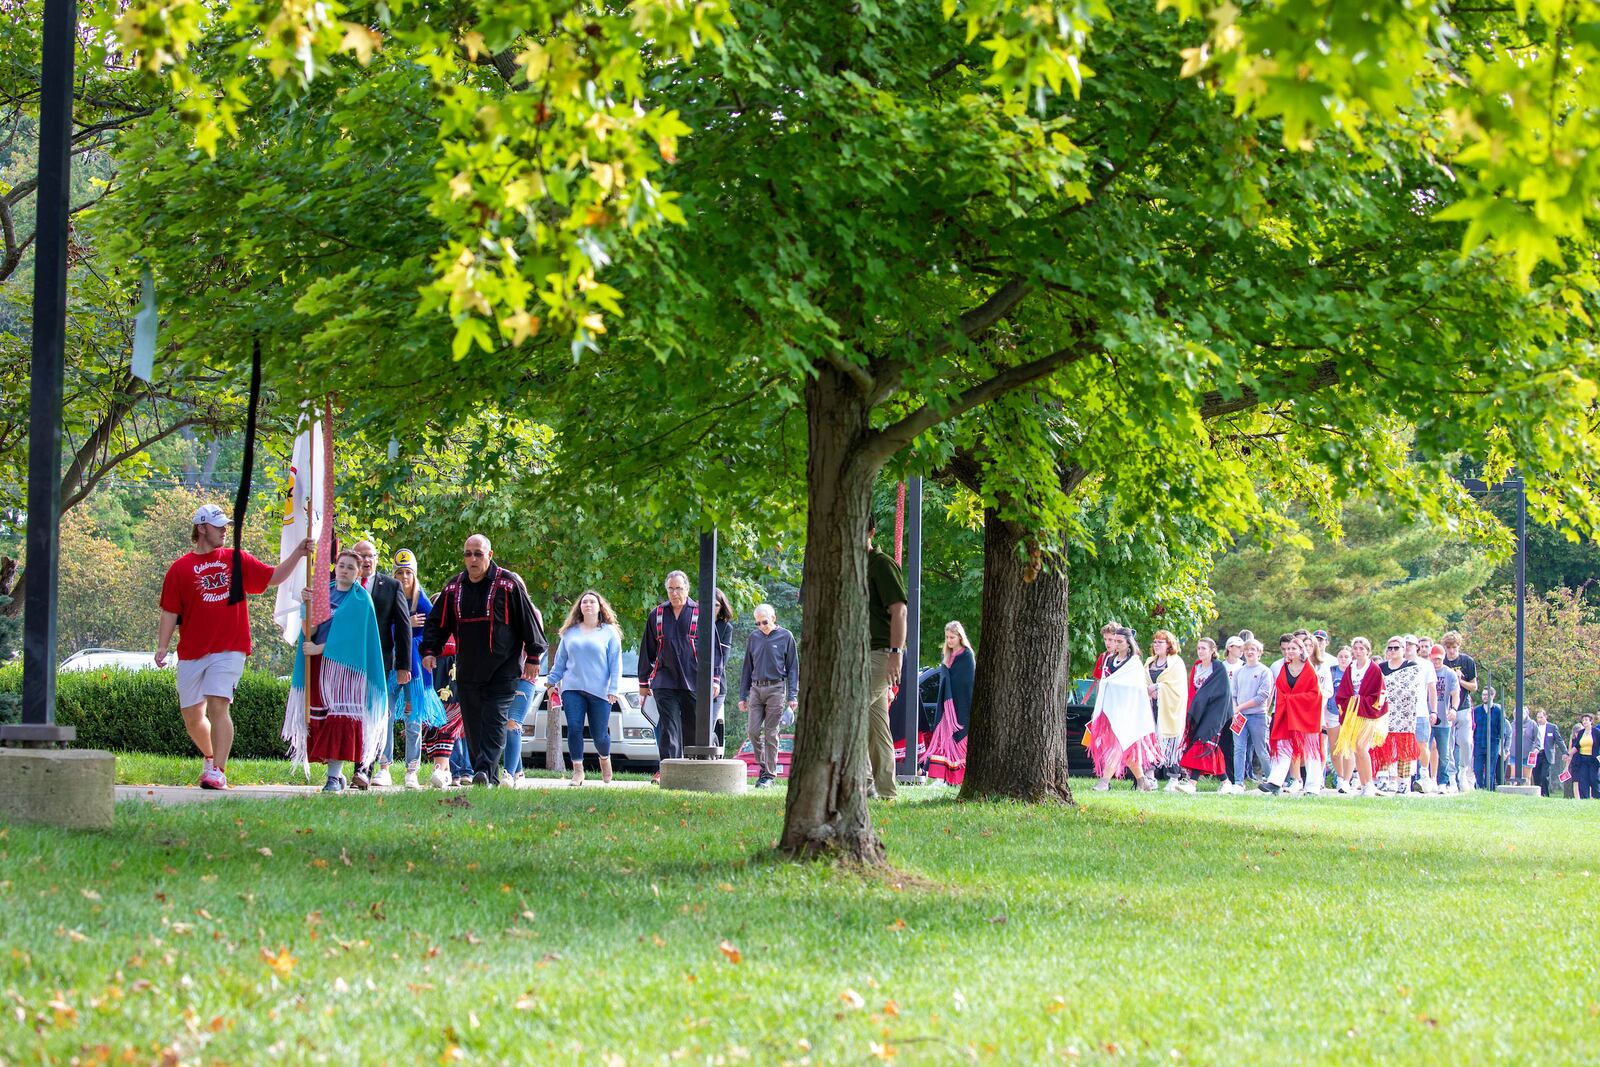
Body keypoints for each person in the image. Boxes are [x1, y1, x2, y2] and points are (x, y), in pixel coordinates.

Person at [157, 503, 313, 790]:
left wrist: (299, 553)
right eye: (219, 526)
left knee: (218, 705)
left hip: (230, 647)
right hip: (192, 650)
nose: (225, 531)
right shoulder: (180, 568)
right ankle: (209, 755)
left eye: (226, 526)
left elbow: (273, 577)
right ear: (201, 528)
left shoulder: (235, 559)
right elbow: (169, 611)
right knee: (192, 717)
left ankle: (218, 770)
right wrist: (162, 646)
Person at [420, 535, 547, 787]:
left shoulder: (508, 585)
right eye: (468, 553)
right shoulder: (454, 588)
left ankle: (482, 772)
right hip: (468, 670)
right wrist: (430, 650)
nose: (473, 559)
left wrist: (533, 656)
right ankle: (487, 774)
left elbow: (528, 622)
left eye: (478, 553)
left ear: (489, 555)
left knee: (495, 720)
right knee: (474, 724)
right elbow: (437, 622)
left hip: (504, 670)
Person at [282, 550, 390, 792]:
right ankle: (335, 775)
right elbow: (308, 629)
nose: (345, 570)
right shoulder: (322, 593)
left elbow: (354, 640)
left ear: (358, 572)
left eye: (351, 568)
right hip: (318, 665)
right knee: (321, 717)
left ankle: (334, 776)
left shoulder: (362, 601)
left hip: (345, 672)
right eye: (341, 565)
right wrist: (305, 605)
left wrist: (321, 648)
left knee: (338, 718)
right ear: (335, 567)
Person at [639, 570, 727, 782]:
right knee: (669, 727)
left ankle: (693, 771)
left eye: (679, 588)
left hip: (695, 680)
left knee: (693, 726)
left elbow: (715, 650)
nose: (675, 593)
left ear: (687, 589)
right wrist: (643, 682)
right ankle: (668, 771)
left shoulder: (701, 613)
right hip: (664, 680)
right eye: (671, 588)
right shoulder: (657, 615)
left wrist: (715, 679)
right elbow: (647, 650)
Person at [347, 541, 415, 789]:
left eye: (369, 556)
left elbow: (403, 627)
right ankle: (340, 768)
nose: (365, 560)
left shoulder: (391, 586)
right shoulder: (345, 584)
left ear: (376, 559)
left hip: (379, 661)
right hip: (347, 661)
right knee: (350, 713)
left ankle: (364, 768)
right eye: (360, 556)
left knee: (372, 714)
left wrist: (403, 665)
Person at [546, 591, 623, 787]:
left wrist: (614, 688)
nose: (588, 604)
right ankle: (578, 771)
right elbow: (560, 661)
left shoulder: (608, 632)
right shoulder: (570, 633)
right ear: (579, 607)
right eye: (584, 602)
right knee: (574, 728)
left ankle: (604, 759)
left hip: (601, 691)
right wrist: (551, 682)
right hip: (573, 689)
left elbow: (616, 663)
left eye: (592, 601)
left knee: (599, 735)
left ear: (600, 607)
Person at [860, 516, 908, 800]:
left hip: (880, 654)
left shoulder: (881, 564)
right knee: (876, 727)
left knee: (848, 715)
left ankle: (864, 787)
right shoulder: (856, 566)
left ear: (871, 531)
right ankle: (886, 792)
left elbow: (899, 611)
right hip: (861, 655)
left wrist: (895, 654)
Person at [390, 550, 446, 790]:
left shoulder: (423, 603)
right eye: (400, 572)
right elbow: (381, 629)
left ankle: (412, 769)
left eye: (408, 573)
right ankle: (383, 765)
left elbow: (432, 636)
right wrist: (405, 626)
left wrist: (410, 635)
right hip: (392, 664)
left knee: (413, 720)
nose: (404, 577)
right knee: (386, 716)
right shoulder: (389, 597)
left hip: (415, 671)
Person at [1088, 628, 1158, 791]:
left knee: (1118, 745)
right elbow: (1104, 681)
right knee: (1125, 748)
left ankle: (1104, 782)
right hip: (1111, 710)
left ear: (1128, 643)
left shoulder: (1134, 663)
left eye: (1120, 641)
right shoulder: (1109, 660)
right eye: (1114, 641)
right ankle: (1143, 782)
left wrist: (1112, 684)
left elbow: (1137, 688)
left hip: (1128, 710)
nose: (1116, 644)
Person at [739, 604, 800, 788]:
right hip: (756, 689)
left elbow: (793, 668)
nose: (761, 626)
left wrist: (793, 696)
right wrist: (743, 695)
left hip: (776, 688)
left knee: (771, 733)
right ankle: (765, 768)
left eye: (764, 622)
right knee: (753, 731)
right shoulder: (754, 637)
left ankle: (769, 776)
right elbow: (747, 668)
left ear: (774, 618)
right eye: (757, 623)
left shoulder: (786, 636)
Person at [1259, 635, 1326, 795]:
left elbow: (1315, 694)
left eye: (1293, 648)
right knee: (1283, 747)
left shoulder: (1309, 670)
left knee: (1311, 750)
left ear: (1301, 650)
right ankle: (1275, 782)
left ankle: (1313, 787)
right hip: (1287, 714)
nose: (1289, 651)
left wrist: (1292, 700)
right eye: (1287, 649)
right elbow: (1280, 691)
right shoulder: (1284, 668)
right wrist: (1287, 702)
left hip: (1307, 715)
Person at [1333, 636, 1387, 796]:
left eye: (1361, 648)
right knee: (1356, 749)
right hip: (1353, 713)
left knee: (1362, 747)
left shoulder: (1373, 669)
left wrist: (1363, 701)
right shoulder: (1351, 668)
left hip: (1368, 713)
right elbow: (1344, 690)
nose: (1358, 651)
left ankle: (1369, 783)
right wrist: (1350, 701)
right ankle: (1364, 784)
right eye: (1355, 648)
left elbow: (1380, 692)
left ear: (1367, 651)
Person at [925, 621, 976, 786]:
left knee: (959, 741)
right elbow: (944, 680)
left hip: (961, 707)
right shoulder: (947, 656)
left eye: (952, 637)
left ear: (960, 637)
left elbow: (967, 683)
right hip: (946, 708)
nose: (949, 641)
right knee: (942, 738)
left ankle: (958, 777)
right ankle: (940, 777)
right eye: (947, 637)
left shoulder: (967, 656)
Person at [1178, 637, 1231, 791]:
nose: (1200, 651)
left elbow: (1223, 693)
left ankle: (1192, 784)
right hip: (1199, 711)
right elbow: (1194, 691)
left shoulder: (1218, 668)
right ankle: (1226, 782)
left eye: (1204, 648)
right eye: (1198, 648)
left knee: (1203, 743)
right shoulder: (1197, 667)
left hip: (1215, 712)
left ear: (1212, 651)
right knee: (1212, 747)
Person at [1220, 639, 1271, 794]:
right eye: (1247, 649)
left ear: (1259, 652)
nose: (1250, 652)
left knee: (1261, 749)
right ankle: (1238, 782)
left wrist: (1240, 707)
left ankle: (1271, 779)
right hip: (1240, 717)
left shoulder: (1264, 671)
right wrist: (1236, 709)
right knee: (1239, 749)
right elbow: (1233, 694)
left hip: (1257, 716)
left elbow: (1262, 696)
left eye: (1253, 649)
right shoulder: (1239, 672)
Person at [1375, 636, 1424, 794]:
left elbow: (1409, 687)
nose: (1393, 651)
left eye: (1396, 648)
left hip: (1405, 713)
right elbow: (1375, 687)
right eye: (1390, 648)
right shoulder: (1380, 667)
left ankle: (1403, 782)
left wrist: (1388, 687)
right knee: (1383, 743)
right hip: (1385, 711)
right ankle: (1383, 778)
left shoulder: (1411, 666)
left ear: (1403, 649)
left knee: (1404, 745)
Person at [1145, 630, 1187, 787]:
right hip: (1151, 708)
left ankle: (1174, 778)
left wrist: (1158, 688)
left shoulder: (1176, 662)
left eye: (1160, 642)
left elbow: (1177, 686)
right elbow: (1143, 680)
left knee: (1170, 744)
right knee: (1150, 741)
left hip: (1169, 710)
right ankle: (1150, 776)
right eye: (1155, 642)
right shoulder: (1149, 661)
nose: (1156, 645)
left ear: (1169, 644)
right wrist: (1148, 690)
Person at [1441, 631, 1478, 789]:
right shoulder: (1441, 662)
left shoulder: (1467, 661)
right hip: (1446, 708)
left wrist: (1459, 680)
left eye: (1454, 647)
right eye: (1448, 647)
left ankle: (1463, 771)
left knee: (1465, 742)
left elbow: (1474, 687)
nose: (1451, 651)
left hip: (1463, 707)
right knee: (1447, 745)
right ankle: (1451, 776)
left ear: (1459, 646)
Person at [1427, 644, 1460, 794]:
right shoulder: (1426, 672)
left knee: (1444, 752)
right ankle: (1424, 779)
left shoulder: (1449, 674)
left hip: (1444, 718)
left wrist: (1453, 709)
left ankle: (1443, 782)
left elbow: (1455, 695)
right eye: (1434, 659)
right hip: (1426, 717)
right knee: (1424, 749)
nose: (1436, 662)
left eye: (1439, 659)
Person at [1326, 645, 1353, 788]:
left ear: (1351, 658)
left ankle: (1347, 780)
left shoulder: (1355, 672)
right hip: (1332, 712)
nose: (1343, 659)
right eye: (1341, 656)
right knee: (1335, 750)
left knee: (1348, 748)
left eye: (1346, 656)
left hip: (1350, 714)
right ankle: (1340, 776)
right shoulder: (1332, 672)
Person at [1472, 687, 1505, 790]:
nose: (1485, 697)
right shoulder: (1476, 711)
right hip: (1479, 743)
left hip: (1493, 744)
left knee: (1490, 771)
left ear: (1492, 696)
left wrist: (1501, 747)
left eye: (1487, 695)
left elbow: (1502, 731)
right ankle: (1480, 788)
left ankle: (1489, 790)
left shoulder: (1498, 711)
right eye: (1483, 694)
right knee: (1478, 769)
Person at [1531, 710, 1567, 797]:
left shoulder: (1552, 727)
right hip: (1536, 754)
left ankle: (1545, 795)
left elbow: (1559, 740)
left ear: (1545, 717)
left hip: (1546, 754)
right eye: (1538, 717)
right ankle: (1537, 795)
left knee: (1544, 776)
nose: (1539, 719)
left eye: (1541, 717)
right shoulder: (1535, 727)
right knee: (1536, 775)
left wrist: (1565, 752)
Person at [1568, 713, 1599, 800]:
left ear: (1591, 721)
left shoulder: (1596, 732)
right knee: (1583, 780)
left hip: (1593, 760)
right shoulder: (1581, 733)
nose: (1584, 722)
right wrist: (1569, 754)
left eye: (1586, 720)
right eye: (1583, 720)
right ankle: (1584, 798)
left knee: (1594, 779)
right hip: (1582, 759)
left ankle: (1596, 798)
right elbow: (1577, 746)